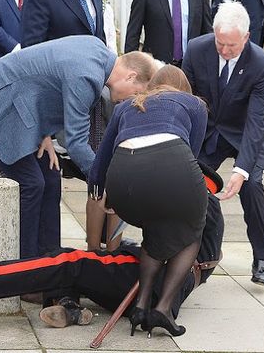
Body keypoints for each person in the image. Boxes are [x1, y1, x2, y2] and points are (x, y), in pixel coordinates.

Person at [0, 164, 224, 331]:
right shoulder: (206, 205)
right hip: (161, 290)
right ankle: (69, 308)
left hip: (154, 281)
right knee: (75, 266)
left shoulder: (200, 198)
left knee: (69, 261)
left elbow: (166, 239)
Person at [0, 35, 157, 259]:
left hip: (20, 106)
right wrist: (104, 184)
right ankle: (26, 273)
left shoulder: (98, 51)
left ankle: (50, 261)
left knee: (51, 177)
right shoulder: (87, 75)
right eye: (136, 93)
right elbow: (76, 142)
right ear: (131, 76)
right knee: (31, 184)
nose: (128, 101)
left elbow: (45, 78)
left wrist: (44, 132)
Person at [86, 65, 208, 337]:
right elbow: (192, 155)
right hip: (172, 169)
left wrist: (101, 191)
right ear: (184, 88)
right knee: (193, 227)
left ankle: (140, 307)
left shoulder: (126, 106)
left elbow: (101, 159)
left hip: (123, 183)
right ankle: (162, 308)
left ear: (152, 85)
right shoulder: (194, 104)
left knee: (156, 226)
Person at [182, 0, 264, 286]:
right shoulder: (197, 49)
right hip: (208, 131)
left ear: (246, 38)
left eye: (231, 46)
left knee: (252, 186)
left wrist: (242, 170)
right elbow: (185, 100)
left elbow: (257, 120)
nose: (223, 50)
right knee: (191, 182)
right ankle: (190, 251)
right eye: (220, 43)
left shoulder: (261, 64)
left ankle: (260, 256)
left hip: (244, 132)